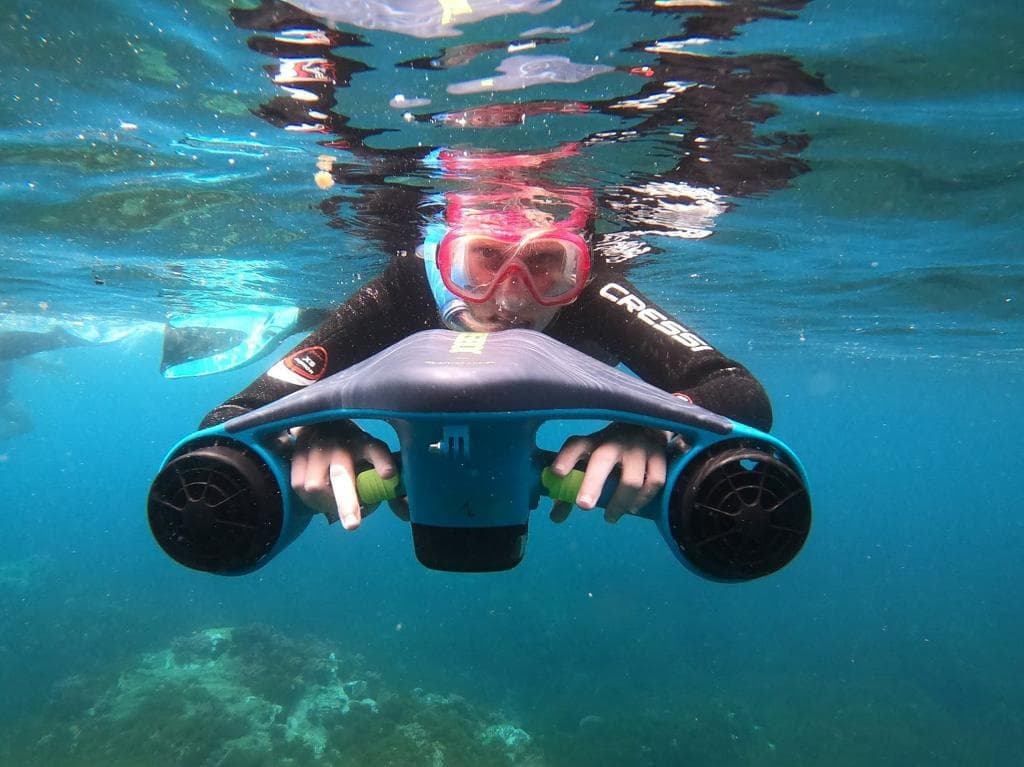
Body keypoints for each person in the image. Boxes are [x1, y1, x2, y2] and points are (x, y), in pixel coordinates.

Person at [199, 172, 772, 532]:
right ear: (444, 258)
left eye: (545, 264)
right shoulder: (406, 288)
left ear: (579, 267)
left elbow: (733, 387)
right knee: (334, 330)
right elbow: (230, 420)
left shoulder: (597, 295)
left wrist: (654, 426)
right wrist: (315, 427)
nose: (511, 299)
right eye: (487, 259)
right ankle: (300, 318)